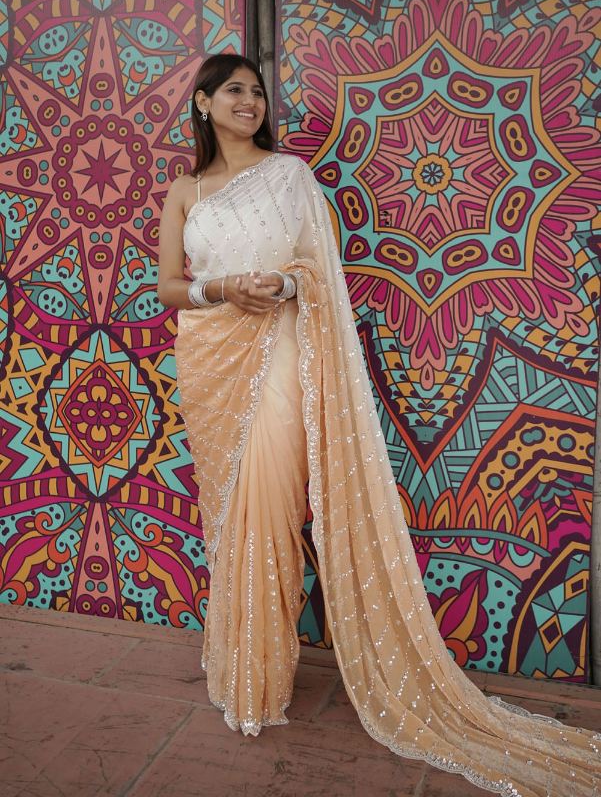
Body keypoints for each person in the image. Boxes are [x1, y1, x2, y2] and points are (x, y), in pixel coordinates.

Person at [157, 53, 600, 796]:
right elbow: (171, 286)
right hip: (208, 367)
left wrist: (285, 282)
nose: (251, 102)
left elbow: (320, 271)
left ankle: (258, 682)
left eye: (258, 93)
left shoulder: (290, 175)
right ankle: (236, 666)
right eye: (235, 90)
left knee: (267, 508)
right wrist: (224, 284)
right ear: (203, 102)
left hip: (277, 357)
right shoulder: (184, 190)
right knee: (228, 512)